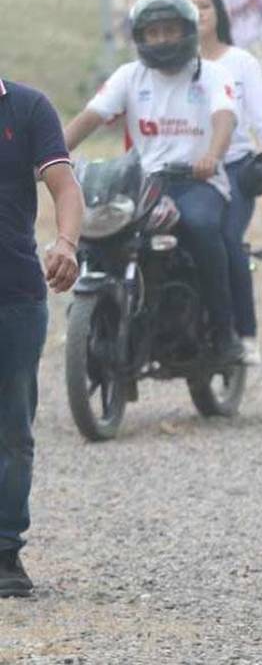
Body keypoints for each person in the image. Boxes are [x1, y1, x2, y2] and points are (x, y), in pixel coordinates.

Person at [63, 0, 244, 366]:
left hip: (198, 182)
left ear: (188, 32)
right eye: (153, 32)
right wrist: (49, 155)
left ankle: (225, 334)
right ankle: (101, 315)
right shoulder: (129, 76)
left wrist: (212, 155)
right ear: (140, 37)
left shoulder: (211, 74)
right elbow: (91, 116)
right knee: (95, 235)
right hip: (143, 184)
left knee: (200, 228)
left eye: (170, 30)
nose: (162, 39)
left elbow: (223, 116)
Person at [182, 0, 262, 367]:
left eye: (205, 6)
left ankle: (242, 333)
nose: (197, 13)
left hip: (231, 170)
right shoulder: (161, 64)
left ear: (219, 14)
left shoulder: (239, 63)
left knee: (227, 240)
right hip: (176, 174)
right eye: (188, 7)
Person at [0, 78, 82, 598]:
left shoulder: (28, 107)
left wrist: (67, 242)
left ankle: (5, 550)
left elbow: (64, 185)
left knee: (12, 428)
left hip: (15, 294)